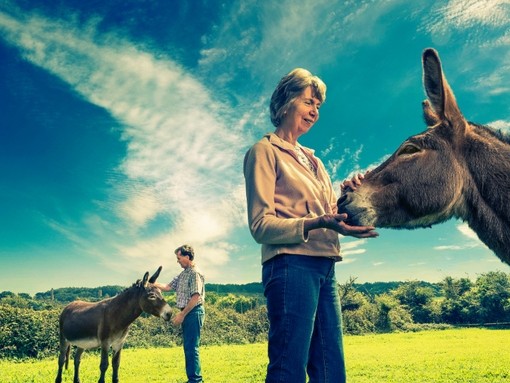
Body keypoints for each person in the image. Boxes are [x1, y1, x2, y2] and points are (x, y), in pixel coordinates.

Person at [243, 68, 378, 383]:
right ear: (286, 102)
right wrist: (316, 222)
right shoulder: (263, 152)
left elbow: (331, 212)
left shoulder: (316, 162)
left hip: (325, 266)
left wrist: (349, 194)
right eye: (308, 102)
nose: (315, 111)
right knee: (288, 370)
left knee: (331, 370)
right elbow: (260, 225)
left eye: (318, 105)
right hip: (290, 266)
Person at [152, 244, 205, 383]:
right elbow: (168, 287)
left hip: (193, 312)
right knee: (188, 347)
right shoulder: (183, 274)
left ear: (187, 257)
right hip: (188, 313)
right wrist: (152, 284)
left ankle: (196, 380)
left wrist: (182, 315)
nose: (178, 261)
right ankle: (193, 379)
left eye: (179, 258)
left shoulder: (194, 273)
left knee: (191, 347)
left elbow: (196, 297)